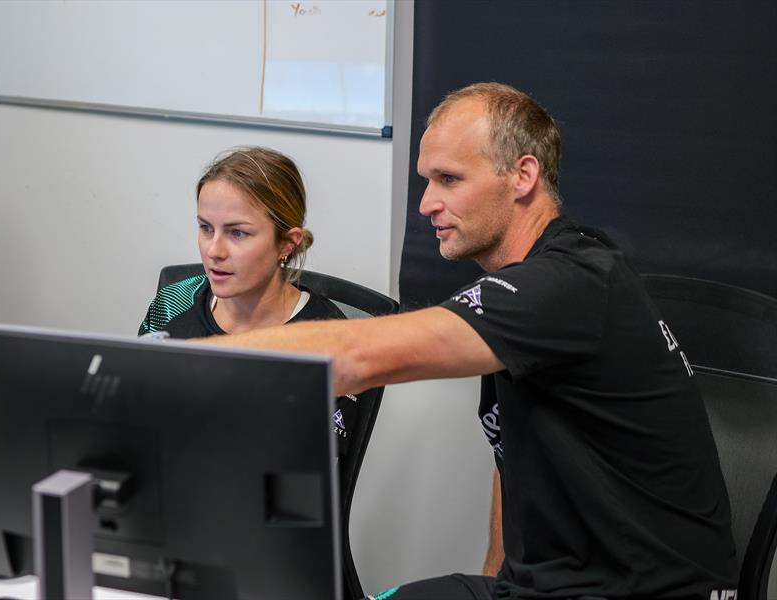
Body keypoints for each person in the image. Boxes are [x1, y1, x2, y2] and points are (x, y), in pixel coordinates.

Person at [200, 83, 738, 600]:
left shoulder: (570, 282)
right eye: (425, 181)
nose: (426, 204)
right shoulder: (524, 291)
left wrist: (167, 369)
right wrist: (495, 575)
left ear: (522, 175)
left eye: (449, 179)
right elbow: (516, 453)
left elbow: (357, 357)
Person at [139, 146, 359, 455]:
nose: (214, 250)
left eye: (237, 233)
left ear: (286, 243)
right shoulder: (175, 302)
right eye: (205, 228)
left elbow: (309, 473)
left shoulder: (326, 337)